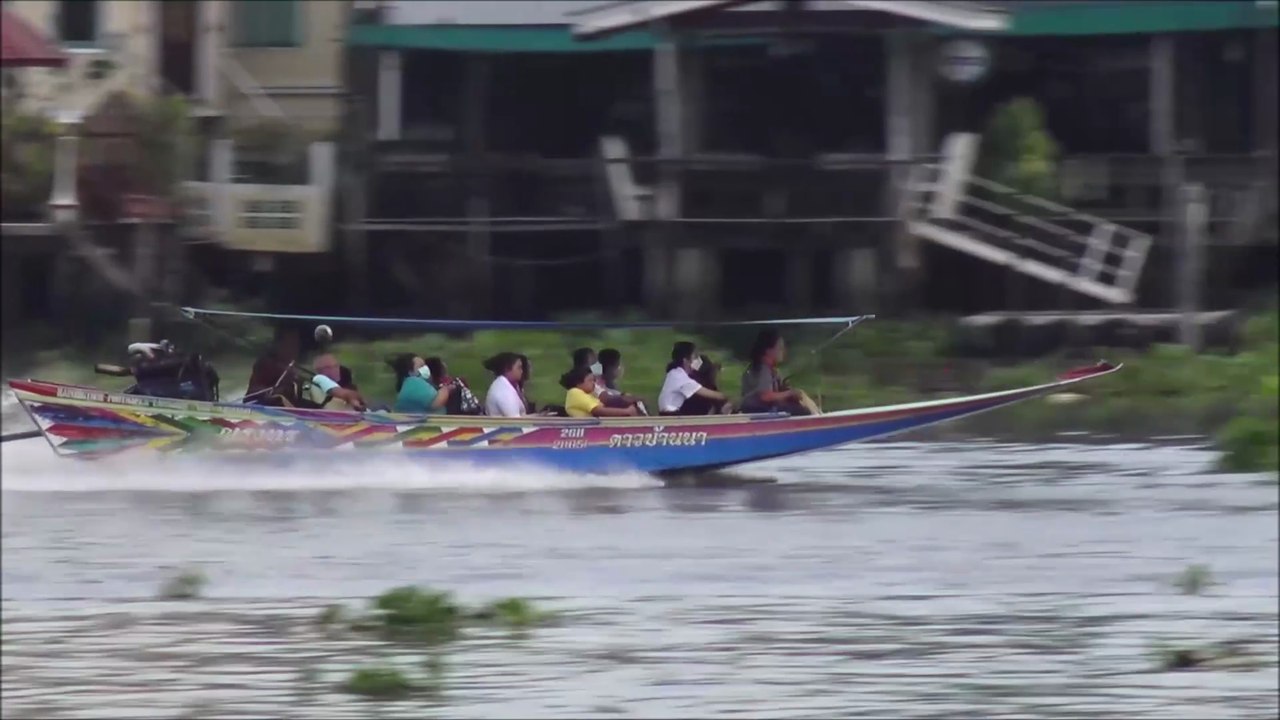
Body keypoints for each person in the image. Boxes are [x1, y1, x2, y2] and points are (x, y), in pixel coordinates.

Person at [739, 329, 820, 416]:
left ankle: (817, 413)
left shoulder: (771, 371)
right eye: (780, 348)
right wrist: (791, 393)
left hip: (759, 409)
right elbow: (765, 396)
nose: (783, 351)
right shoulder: (762, 369)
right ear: (768, 351)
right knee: (801, 411)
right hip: (757, 410)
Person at [657, 341, 731, 416]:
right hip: (671, 416)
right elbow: (713, 395)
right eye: (695, 357)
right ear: (685, 360)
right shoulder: (682, 379)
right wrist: (728, 397)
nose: (697, 360)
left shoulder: (674, 373)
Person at [245, 325, 303, 406]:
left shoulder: (293, 366)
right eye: (290, 344)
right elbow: (252, 391)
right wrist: (275, 391)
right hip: (262, 408)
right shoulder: (266, 363)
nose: (294, 348)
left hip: (291, 410)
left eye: (296, 344)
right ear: (279, 344)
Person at [561, 365, 638, 418]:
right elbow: (598, 411)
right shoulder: (575, 392)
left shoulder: (588, 394)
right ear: (578, 383)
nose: (594, 383)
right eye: (590, 380)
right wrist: (626, 412)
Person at [597, 347, 647, 415]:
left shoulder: (611, 384)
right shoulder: (599, 385)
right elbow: (613, 400)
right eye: (618, 365)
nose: (621, 368)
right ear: (610, 368)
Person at [483, 352, 527, 417]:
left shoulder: (504, 385)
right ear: (507, 369)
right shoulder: (503, 391)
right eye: (519, 367)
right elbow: (515, 422)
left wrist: (540, 416)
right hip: (504, 426)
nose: (522, 371)